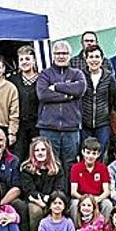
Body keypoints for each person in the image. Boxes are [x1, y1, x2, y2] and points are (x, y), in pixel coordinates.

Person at [37, 40, 87, 174]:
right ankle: (54, 194)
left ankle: (68, 193)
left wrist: (57, 87)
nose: (61, 56)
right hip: (49, 127)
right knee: (50, 163)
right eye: (58, 53)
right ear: (53, 55)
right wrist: (68, 95)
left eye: (64, 53)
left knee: (70, 163)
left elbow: (80, 89)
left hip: (71, 128)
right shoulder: (45, 74)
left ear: (70, 55)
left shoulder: (77, 74)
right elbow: (43, 95)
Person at [20, 136, 66, 231]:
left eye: (43, 150)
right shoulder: (26, 169)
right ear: (32, 153)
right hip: (34, 200)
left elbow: (60, 189)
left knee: (58, 208)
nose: (40, 153)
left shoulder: (57, 169)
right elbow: (30, 191)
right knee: (36, 211)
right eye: (36, 150)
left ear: (48, 152)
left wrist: (48, 202)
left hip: (53, 200)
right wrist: (43, 200)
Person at [80, 46, 116, 158]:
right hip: (84, 122)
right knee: (85, 154)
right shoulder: (80, 75)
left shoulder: (109, 77)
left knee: (100, 154)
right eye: (91, 57)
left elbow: (112, 98)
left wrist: (106, 113)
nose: (94, 60)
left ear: (102, 59)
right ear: (86, 59)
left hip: (103, 123)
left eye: (97, 56)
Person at [70, 138, 113, 220]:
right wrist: (85, 200)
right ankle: (76, 230)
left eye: (94, 153)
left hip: (97, 198)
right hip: (81, 197)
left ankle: (105, 230)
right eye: (88, 153)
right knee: (74, 204)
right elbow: (73, 192)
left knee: (107, 204)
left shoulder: (102, 168)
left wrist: (97, 199)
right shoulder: (76, 168)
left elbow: (107, 191)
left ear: (98, 154)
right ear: (83, 152)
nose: (90, 156)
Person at [9, 45, 40, 162]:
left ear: (33, 60)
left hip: (37, 125)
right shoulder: (12, 80)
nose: (24, 62)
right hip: (19, 126)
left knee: (36, 157)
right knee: (18, 157)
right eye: (21, 59)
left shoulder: (42, 79)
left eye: (27, 59)